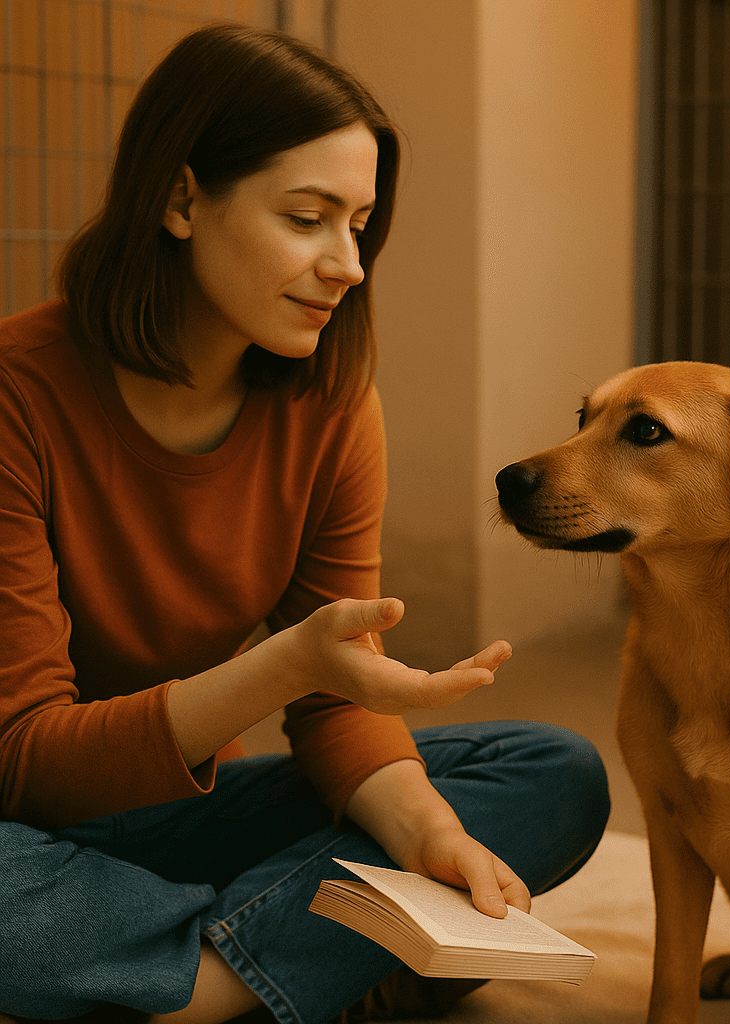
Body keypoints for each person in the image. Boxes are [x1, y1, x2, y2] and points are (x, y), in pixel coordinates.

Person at [0, 23, 609, 1024]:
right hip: (28, 822)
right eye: (307, 218)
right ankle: (245, 980)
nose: (349, 264)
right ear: (182, 198)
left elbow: (337, 701)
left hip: (181, 817)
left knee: (553, 773)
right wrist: (285, 665)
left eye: (360, 223)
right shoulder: (19, 392)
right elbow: (26, 761)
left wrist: (422, 832)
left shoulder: (330, 408)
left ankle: (183, 972)